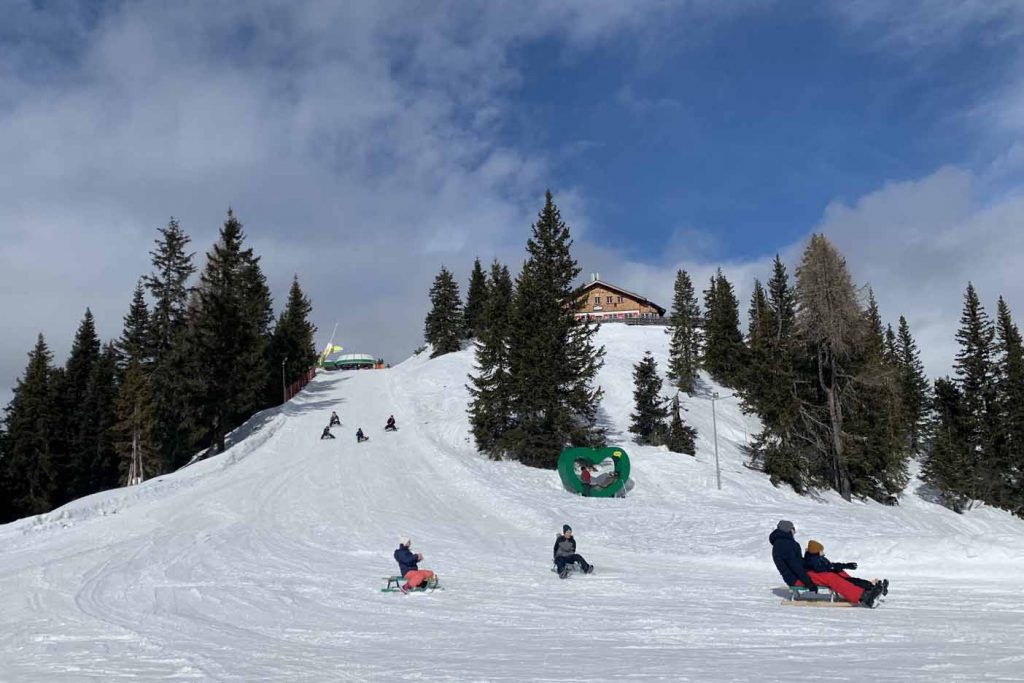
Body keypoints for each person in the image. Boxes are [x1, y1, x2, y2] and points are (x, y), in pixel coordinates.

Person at [769, 520, 884, 607]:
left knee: (834, 571)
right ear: (788, 530)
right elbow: (795, 566)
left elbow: (798, 563)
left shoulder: (784, 542)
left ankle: (864, 588)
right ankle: (864, 597)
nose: (794, 532)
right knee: (830, 577)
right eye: (793, 529)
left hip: (801, 573)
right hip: (797, 578)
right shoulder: (784, 544)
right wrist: (808, 583)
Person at [803, 539, 889, 596]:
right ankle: (872, 588)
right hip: (829, 579)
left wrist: (845, 565)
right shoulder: (813, 560)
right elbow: (821, 569)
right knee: (853, 582)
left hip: (833, 576)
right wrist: (832, 568)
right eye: (821, 550)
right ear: (817, 551)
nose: (823, 552)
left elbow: (829, 565)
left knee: (854, 580)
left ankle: (875, 587)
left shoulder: (817, 558)